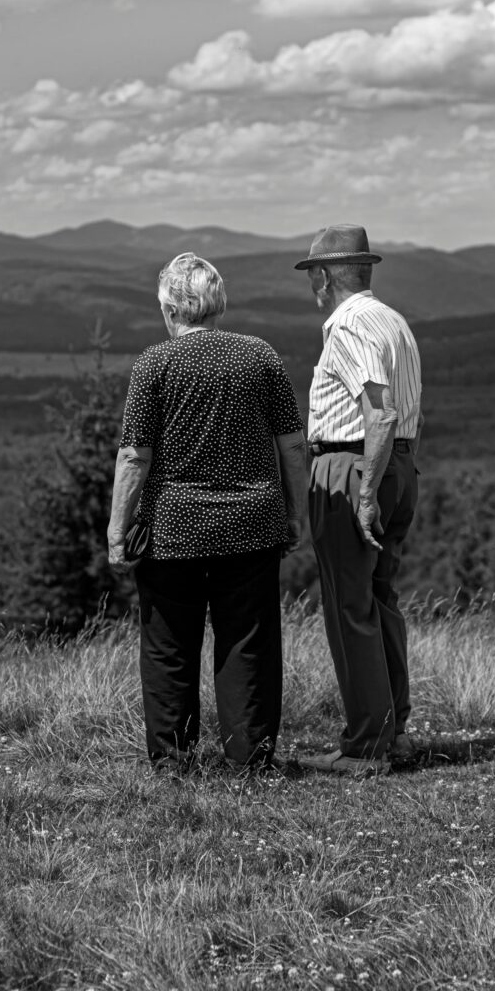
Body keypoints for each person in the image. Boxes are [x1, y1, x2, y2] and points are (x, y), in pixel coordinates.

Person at [108, 252, 307, 772]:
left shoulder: (156, 363)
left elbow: (135, 454)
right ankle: (250, 761)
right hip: (252, 523)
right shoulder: (260, 356)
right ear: (216, 304)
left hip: (173, 528)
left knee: (169, 645)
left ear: (172, 308)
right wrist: (294, 513)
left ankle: (173, 762)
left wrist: (117, 528)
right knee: (248, 645)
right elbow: (291, 445)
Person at [295, 224, 423, 777]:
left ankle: (366, 745)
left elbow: (380, 410)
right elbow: (398, 415)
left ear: (323, 276)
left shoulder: (346, 327)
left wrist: (364, 490)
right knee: (380, 597)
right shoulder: (393, 321)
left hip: (353, 466)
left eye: (311, 276)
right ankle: (393, 731)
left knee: (350, 608)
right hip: (400, 464)